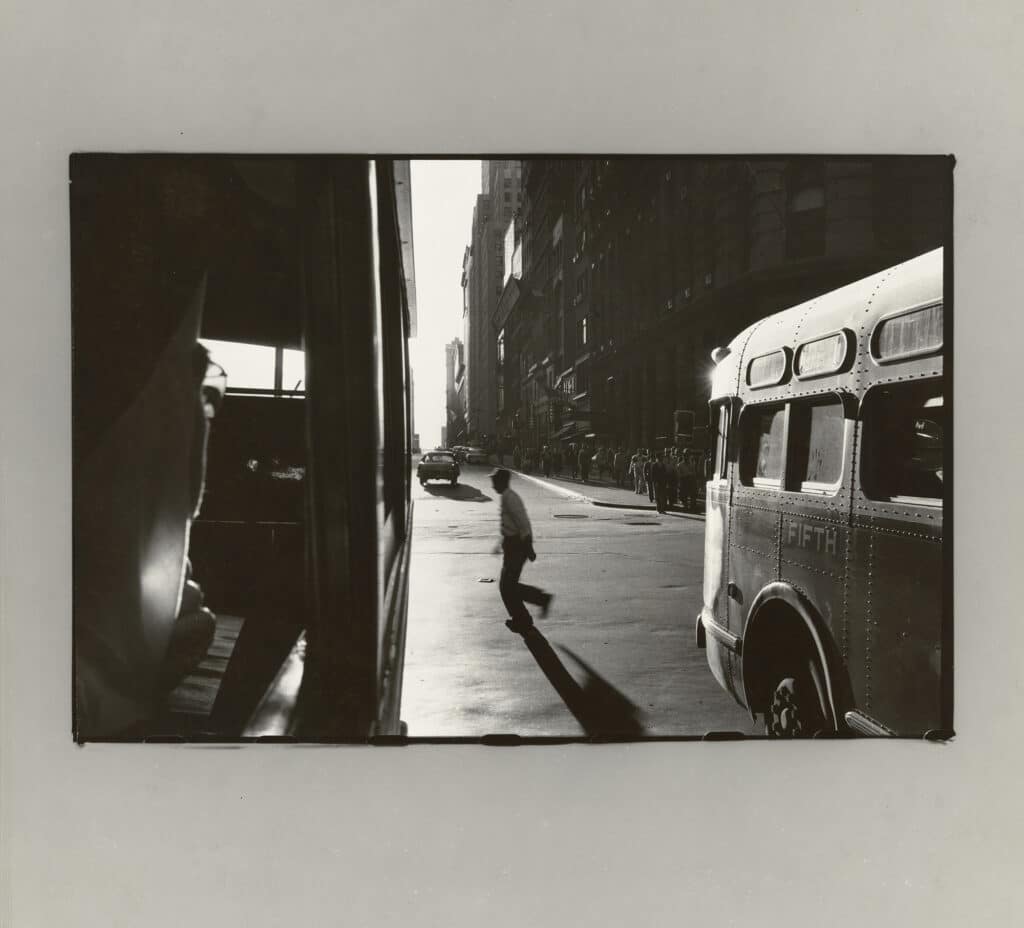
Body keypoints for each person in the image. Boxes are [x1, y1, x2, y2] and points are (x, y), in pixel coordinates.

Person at [490, 468, 553, 635]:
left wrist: (528, 547)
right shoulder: (506, 497)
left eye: (494, 481)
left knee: (506, 586)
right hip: (512, 546)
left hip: (518, 547)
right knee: (508, 586)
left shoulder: (511, 498)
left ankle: (527, 613)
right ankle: (524, 616)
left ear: (502, 482)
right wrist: (501, 543)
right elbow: (510, 525)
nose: (492, 485)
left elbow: (523, 524)